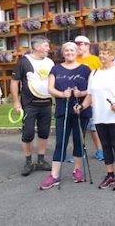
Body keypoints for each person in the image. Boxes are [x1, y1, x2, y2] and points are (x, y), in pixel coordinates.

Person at [74, 41, 115, 191]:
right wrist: (82, 106)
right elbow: (90, 95)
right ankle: (109, 174)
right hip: (99, 116)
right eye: (101, 53)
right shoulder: (94, 73)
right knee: (105, 146)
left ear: (113, 56)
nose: (102, 56)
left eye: (106, 53)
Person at [39, 42, 91, 190]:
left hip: (80, 110)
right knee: (60, 142)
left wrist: (81, 93)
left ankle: (77, 171)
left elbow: (91, 89)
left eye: (72, 50)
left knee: (78, 140)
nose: (69, 53)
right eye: (66, 50)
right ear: (63, 53)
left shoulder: (85, 69)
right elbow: (50, 89)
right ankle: (54, 175)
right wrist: (62, 94)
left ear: (77, 52)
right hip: (63, 110)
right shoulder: (55, 69)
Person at [10, 36, 55, 176]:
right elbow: (14, 82)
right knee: (28, 133)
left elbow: (53, 81)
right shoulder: (24, 61)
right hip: (29, 105)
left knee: (43, 133)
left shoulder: (50, 62)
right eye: (46, 46)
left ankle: (41, 160)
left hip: (46, 104)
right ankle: (28, 162)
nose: (48, 48)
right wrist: (16, 102)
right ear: (37, 47)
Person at [71, 35, 104, 161]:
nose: (78, 47)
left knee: (94, 127)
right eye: (76, 44)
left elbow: (100, 78)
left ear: (87, 45)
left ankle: (100, 151)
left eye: (80, 44)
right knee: (79, 127)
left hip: (93, 98)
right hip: (77, 98)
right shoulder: (74, 59)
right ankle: (79, 152)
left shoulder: (95, 60)